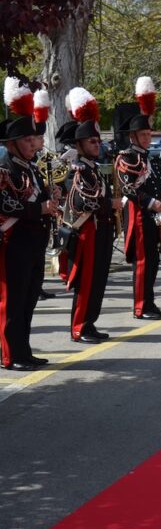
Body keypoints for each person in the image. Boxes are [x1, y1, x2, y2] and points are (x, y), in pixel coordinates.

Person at [0, 115, 59, 370]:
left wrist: (52, 196)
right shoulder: (5, 168)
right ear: (12, 143)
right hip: (14, 242)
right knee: (12, 301)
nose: (34, 143)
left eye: (34, 138)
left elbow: (38, 199)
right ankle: (10, 355)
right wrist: (40, 208)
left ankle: (23, 351)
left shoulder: (31, 167)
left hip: (34, 241)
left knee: (28, 299)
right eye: (28, 139)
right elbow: (5, 204)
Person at [66, 116, 122, 344]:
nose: (97, 145)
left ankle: (90, 322)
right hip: (88, 232)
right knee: (87, 281)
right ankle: (79, 326)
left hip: (103, 231)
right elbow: (82, 202)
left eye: (98, 142)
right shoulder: (77, 171)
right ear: (79, 145)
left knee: (98, 280)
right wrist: (111, 205)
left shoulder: (94, 170)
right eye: (92, 142)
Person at [116, 113, 161, 320]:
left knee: (152, 261)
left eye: (149, 134)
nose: (147, 138)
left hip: (153, 215)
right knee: (142, 262)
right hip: (139, 215)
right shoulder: (126, 157)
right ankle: (141, 306)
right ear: (133, 136)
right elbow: (128, 188)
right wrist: (151, 202)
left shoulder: (150, 158)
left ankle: (149, 302)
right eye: (143, 134)